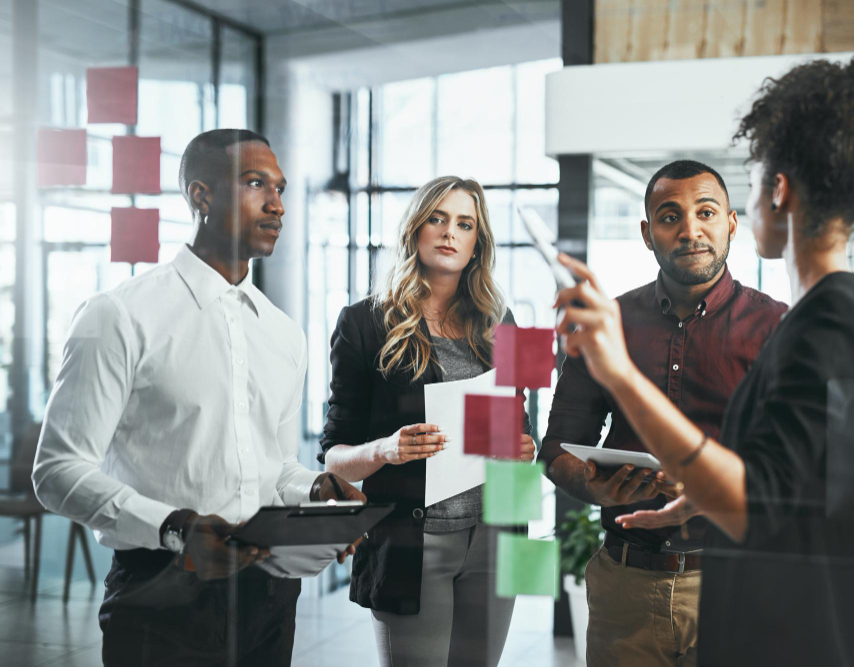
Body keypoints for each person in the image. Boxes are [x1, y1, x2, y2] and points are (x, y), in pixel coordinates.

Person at [552, 56, 854, 666]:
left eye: (743, 185)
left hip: (812, 630)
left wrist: (619, 375)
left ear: (777, 192)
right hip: (818, 619)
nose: (693, 228)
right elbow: (824, 496)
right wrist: (698, 498)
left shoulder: (822, 325)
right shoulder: (840, 314)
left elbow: (764, 505)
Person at [32, 129, 363, 667]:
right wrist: (176, 529)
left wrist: (316, 489)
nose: (277, 204)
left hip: (270, 596)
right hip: (160, 592)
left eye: (279, 189)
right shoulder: (119, 316)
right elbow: (57, 471)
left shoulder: (284, 334)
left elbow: (275, 466)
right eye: (256, 184)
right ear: (201, 196)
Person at [539, 160, 785, 666]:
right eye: (670, 216)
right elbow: (556, 449)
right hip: (626, 586)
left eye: (706, 212)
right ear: (648, 234)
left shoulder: (776, 327)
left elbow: (791, 468)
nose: (690, 229)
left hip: (735, 581)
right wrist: (593, 484)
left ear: (731, 224)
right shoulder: (608, 324)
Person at [319, 176, 535, 667]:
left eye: (464, 223)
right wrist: (386, 449)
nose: (449, 232)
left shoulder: (503, 322)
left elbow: (524, 427)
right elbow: (334, 457)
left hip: (497, 535)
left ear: (478, 242)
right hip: (411, 543)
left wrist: (526, 449)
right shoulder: (363, 323)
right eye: (437, 218)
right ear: (415, 228)